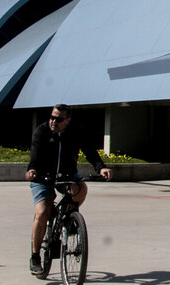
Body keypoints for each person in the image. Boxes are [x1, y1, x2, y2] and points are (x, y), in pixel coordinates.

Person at [25, 103, 111, 275]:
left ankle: (69, 217)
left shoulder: (75, 132)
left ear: (68, 120)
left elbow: (89, 151)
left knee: (81, 189)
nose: (53, 121)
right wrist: (32, 169)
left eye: (58, 119)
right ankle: (35, 256)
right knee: (42, 212)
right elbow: (35, 155)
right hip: (43, 177)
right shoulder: (42, 131)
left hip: (66, 176)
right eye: (52, 117)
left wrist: (101, 167)